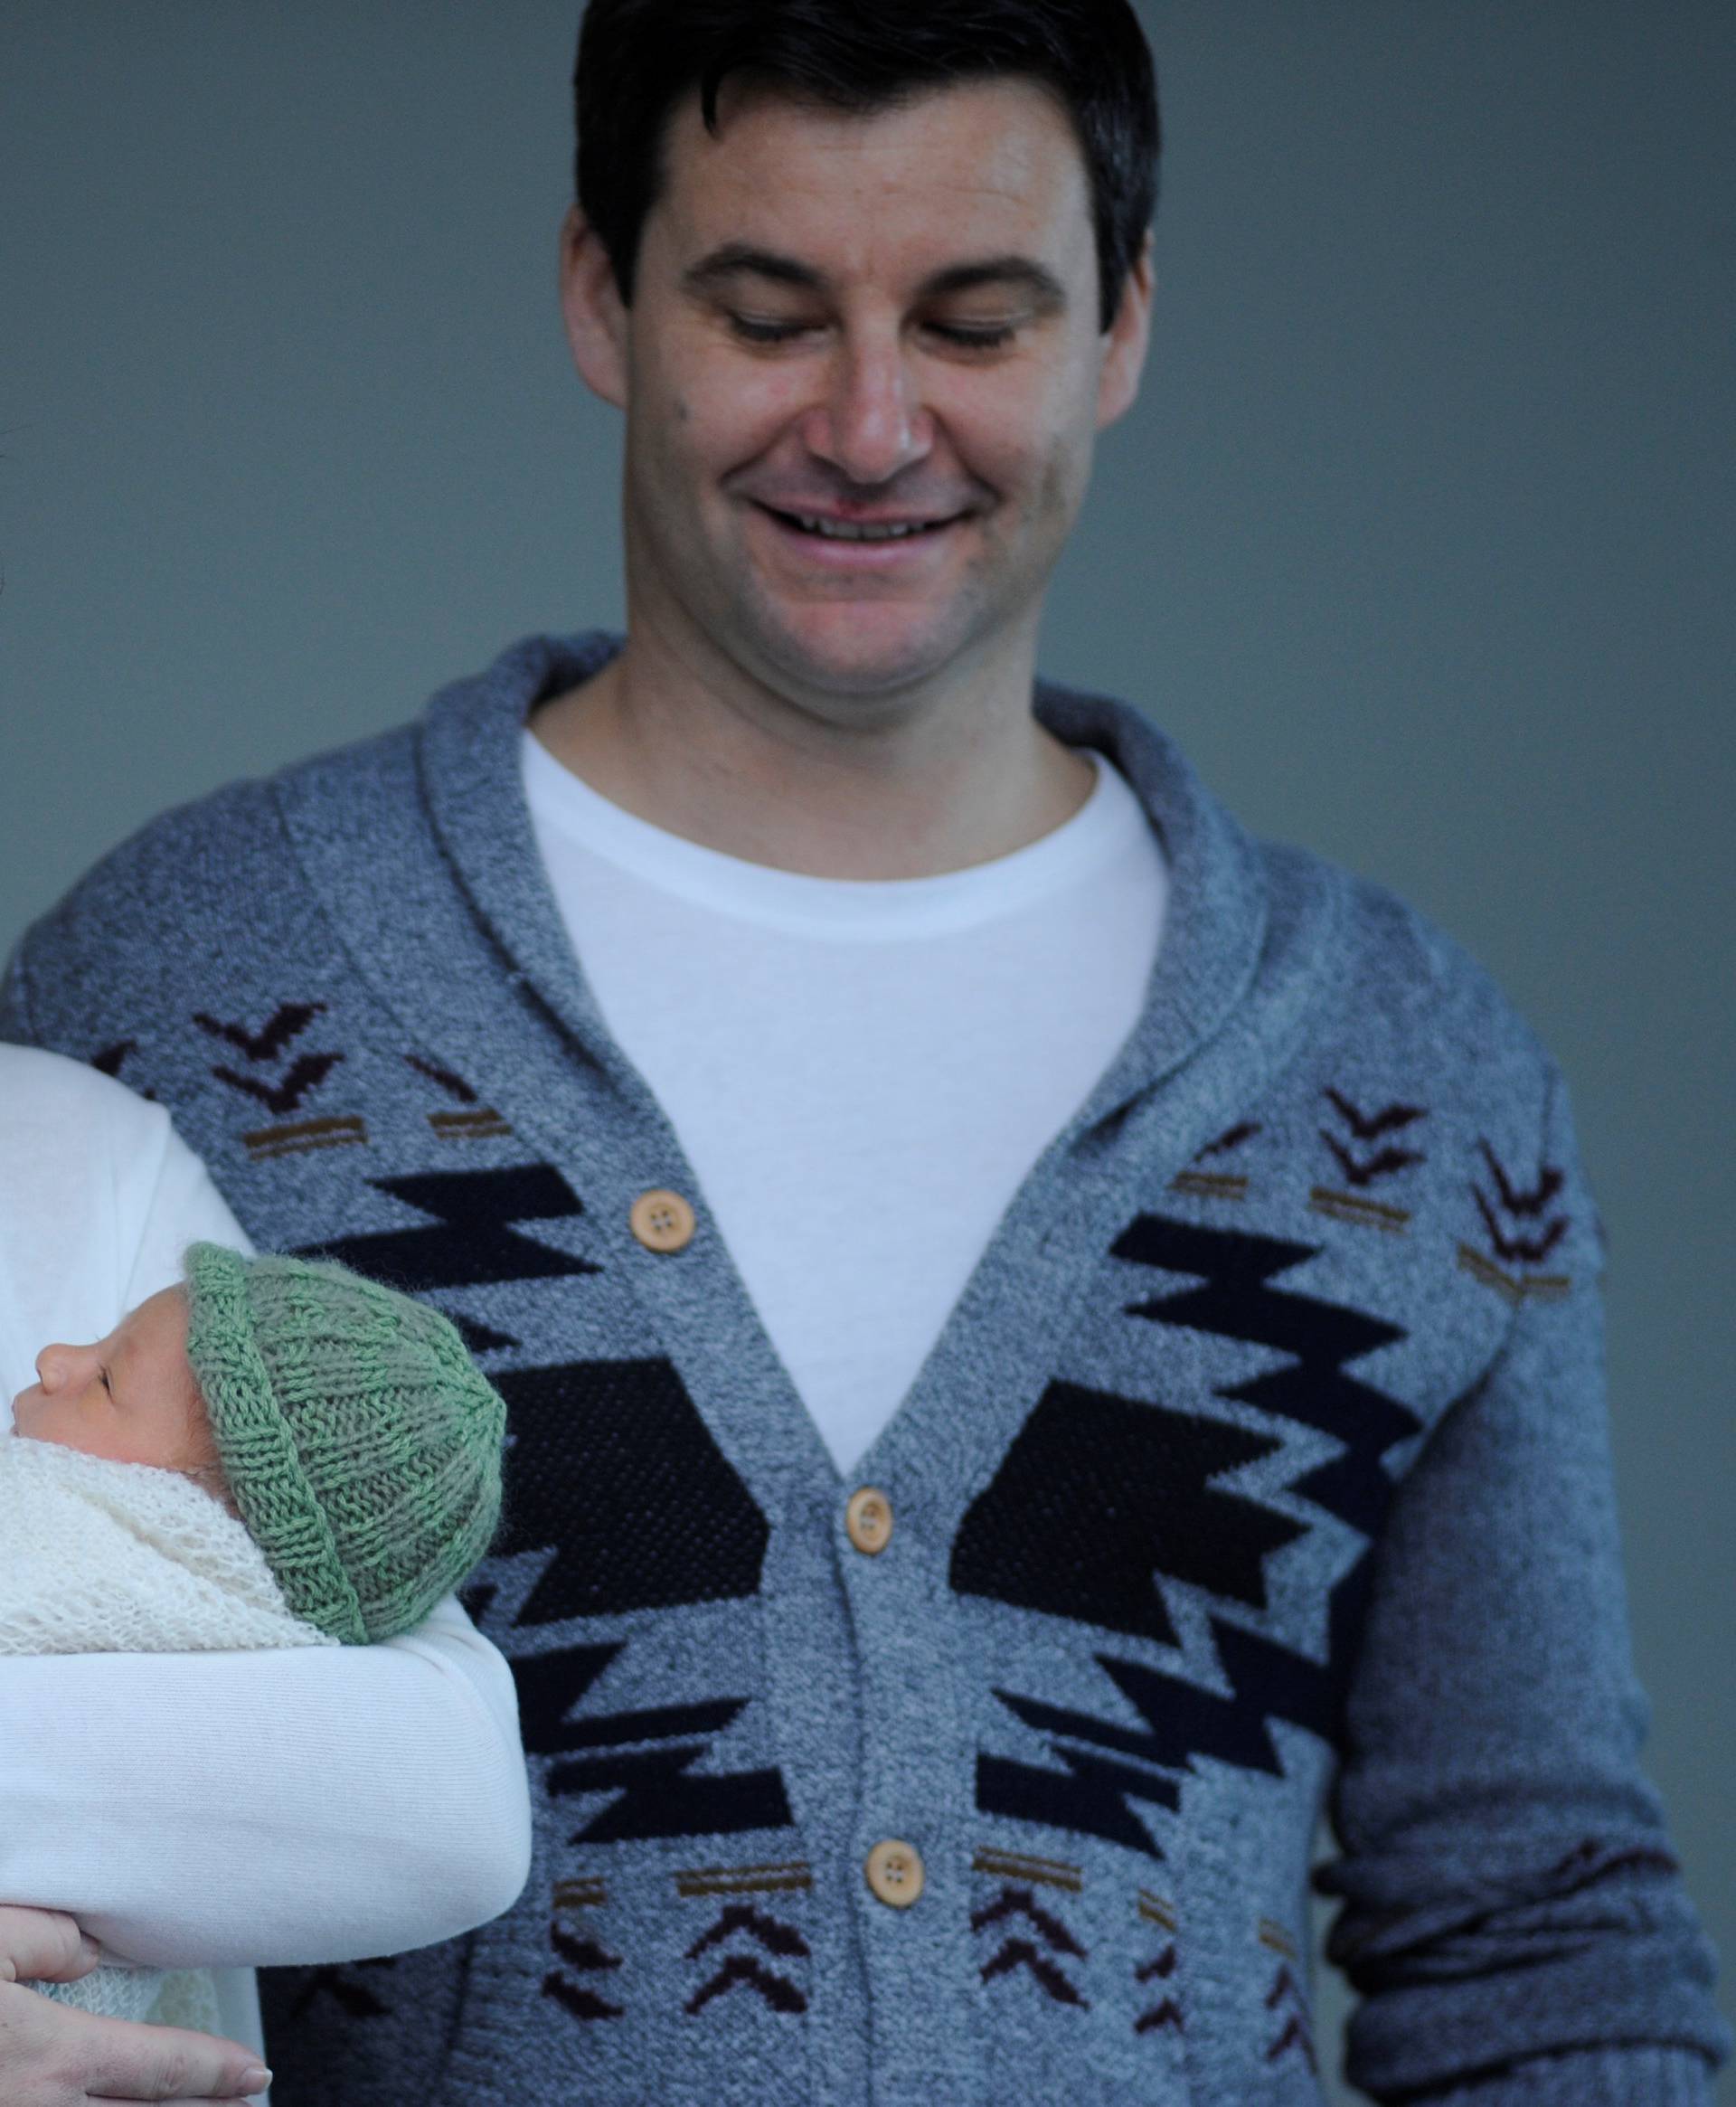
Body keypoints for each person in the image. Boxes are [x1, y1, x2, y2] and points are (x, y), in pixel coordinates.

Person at [1, 0, 1727, 2101]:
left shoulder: (1409, 1081)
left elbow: (1536, 1935)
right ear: (599, 294)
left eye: (979, 322)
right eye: (768, 310)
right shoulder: (179, 977)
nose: (872, 422)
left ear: (1123, 326)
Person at [0, 1046, 531, 2104]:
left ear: (220, 1508)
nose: (52, 1357)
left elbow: (454, 1804)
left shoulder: (74, 1143)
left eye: (106, 1375)